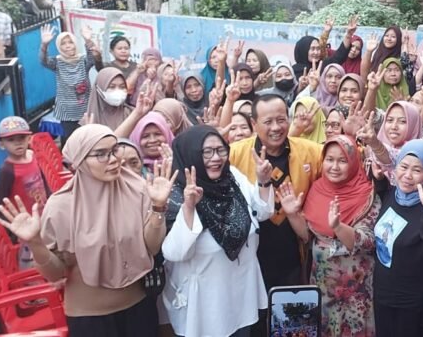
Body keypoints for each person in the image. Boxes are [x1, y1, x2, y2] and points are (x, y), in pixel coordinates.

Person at [0, 124, 174, 335]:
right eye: (101, 154)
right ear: (79, 160)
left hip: (139, 308)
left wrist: (158, 207)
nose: (113, 159)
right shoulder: (61, 206)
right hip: (89, 317)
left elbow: (152, 247)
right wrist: (35, 242)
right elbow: (56, 274)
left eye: (114, 150)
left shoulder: (137, 189)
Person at [162, 126, 275, 337]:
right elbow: (175, 253)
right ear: (190, 154)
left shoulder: (232, 178)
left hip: (241, 295)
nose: (216, 158)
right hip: (205, 307)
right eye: (206, 152)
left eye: (220, 150)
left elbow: (262, 213)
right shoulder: (176, 194)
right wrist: (189, 207)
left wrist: (263, 181)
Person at [228, 95, 324, 337]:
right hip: (250, 259)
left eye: (281, 120)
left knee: (292, 324)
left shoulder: (311, 153)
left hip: (294, 257)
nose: (276, 128)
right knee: (255, 325)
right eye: (268, 121)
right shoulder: (234, 154)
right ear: (253, 123)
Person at [278, 135, 380, 337]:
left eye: (342, 161)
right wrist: (292, 215)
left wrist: (338, 227)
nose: (334, 167)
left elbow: (368, 242)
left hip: (355, 288)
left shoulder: (367, 193)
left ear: (353, 163)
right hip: (322, 283)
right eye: (329, 159)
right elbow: (307, 236)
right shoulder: (317, 189)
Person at [370, 139, 423, 337]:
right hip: (383, 295)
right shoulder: (393, 194)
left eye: (417, 170)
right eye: (403, 167)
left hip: (413, 306)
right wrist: (379, 179)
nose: (407, 175)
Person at [0, 116, 50, 266]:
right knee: (30, 256)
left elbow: (43, 180)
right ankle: (30, 276)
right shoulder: (7, 170)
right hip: (24, 221)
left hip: (43, 213)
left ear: (29, 139)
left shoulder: (32, 156)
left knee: (48, 249)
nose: (18, 143)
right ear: (1, 144)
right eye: (11, 140)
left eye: (21, 138)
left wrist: (51, 199)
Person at [40, 25, 100, 145]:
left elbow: (93, 58)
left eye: (70, 42)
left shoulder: (83, 60)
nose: (67, 46)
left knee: (88, 140)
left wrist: (88, 40)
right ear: (59, 47)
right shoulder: (57, 62)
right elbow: (43, 61)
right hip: (67, 112)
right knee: (70, 142)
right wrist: (44, 45)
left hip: (85, 109)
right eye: (63, 44)